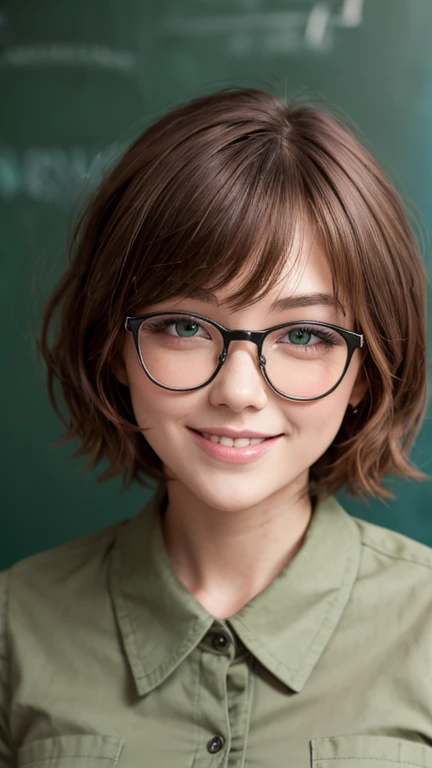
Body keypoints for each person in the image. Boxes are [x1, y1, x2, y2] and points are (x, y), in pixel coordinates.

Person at [1, 87, 431, 768]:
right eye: (184, 326)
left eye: (304, 334)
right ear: (115, 347)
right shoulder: (13, 627)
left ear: (367, 372)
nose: (237, 390)